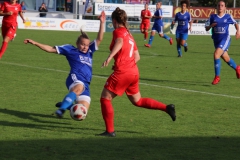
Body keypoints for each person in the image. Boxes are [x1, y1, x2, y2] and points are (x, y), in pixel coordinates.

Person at [97, 7, 176, 137]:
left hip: (124, 72)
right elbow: (137, 56)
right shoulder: (129, 34)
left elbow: (119, 42)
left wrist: (110, 57)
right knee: (137, 101)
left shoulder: (118, 32)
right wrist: (122, 63)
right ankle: (167, 108)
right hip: (133, 71)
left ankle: (110, 131)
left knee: (105, 98)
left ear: (115, 21)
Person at [23, 11, 106, 118]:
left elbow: (99, 38)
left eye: (86, 45)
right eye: (82, 44)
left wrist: (102, 22)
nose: (85, 47)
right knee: (78, 89)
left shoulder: (90, 51)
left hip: (86, 82)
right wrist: (35, 43)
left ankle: (66, 105)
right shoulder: (71, 49)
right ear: (77, 44)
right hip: (75, 78)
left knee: (82, 111)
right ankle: (62, 110)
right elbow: (50, 49)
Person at [205, 0, 240, 85]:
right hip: (216, 40)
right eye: (219, 5)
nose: (220, 7)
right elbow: (206, 28)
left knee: (216, 54)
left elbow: (236, 23)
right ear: (216, 7)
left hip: (225, 39)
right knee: (226, 58)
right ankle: (237, 68)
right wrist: (210, 26)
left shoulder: (227, 16)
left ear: (225, 8)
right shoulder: (212, 17)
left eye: (222, 5)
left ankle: (217, 77)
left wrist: (238, 31)